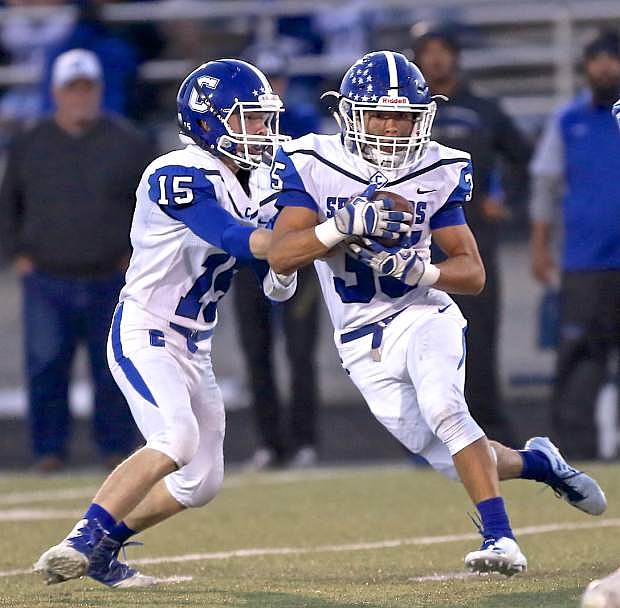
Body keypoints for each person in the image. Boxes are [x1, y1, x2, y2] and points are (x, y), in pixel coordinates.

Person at [268, 50, 607, 576]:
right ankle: (540, 462)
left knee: (448, 409)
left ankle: (501, 540)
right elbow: (280, 254)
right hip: (359, 338)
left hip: (422, 314)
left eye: (401, 115)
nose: (390, 126)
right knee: (457, 459)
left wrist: (422, 273)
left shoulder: (438, 167)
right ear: (349, 114)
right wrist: (341, 226)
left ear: (421, 116)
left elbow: (472, 273)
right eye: (378, 113)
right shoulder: (312, 161)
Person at [34, 58, 295, 587]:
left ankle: (106, 549)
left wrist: (286, 269)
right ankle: (80, 540)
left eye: (264, 119)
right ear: (208, 122)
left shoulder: (262, 177)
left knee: (201, 483)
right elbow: (234, 239)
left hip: (193, 344)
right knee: (175, 438)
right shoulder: (175, 171)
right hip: (145, 329)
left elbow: (274, 271)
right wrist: (326, 234)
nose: (262, 131)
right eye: (248, 119)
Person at [0, 48, 156, 473]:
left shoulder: (127, 142)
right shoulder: (31, 143)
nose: (80, 97)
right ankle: (48, 451)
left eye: (87, 88)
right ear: (57, 93)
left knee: (114, 367)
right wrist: (17, 252)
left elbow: (151, 206)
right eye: (73, 89)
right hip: (47, 276)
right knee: (46, 366)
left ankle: (117, 450)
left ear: (99, 91)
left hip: (112, 276)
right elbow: (8, 200)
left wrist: (138, 258)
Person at [410, 25, 532, 446]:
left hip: (470, 235)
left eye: (444, 49)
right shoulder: (405, 112)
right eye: (428, 51)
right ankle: (431, 431)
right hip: (415, 238)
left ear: (456, 56)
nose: (437, 59)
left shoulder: (483, 108)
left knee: (478, 333)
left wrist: (507, 200)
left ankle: (486, 428)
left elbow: (521, 157)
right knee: (419, 335)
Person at [529, 30, 620, 460]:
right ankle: (573, 451)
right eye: (597, 59)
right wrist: (539, 245)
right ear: (586, 66)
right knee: (578, 357)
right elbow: (545, 184)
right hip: (584, 262)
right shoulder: (567, 121)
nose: (605, 67)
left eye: (612, 58)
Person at [235, 42, 322, 469]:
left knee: (300, 352)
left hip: (299, 256)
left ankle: (304, 439)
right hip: (249, 258)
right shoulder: (230, 137)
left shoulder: (302, 125)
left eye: (276, 80)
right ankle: (270, 442)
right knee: (256, 351)